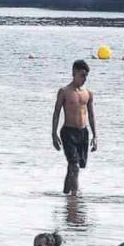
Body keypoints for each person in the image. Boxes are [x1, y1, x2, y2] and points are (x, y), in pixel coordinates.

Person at [52, 59, 97, 195]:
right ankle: (75, 198)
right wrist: (54, 134)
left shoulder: (88, 93)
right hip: (68, 132)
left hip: (83, 133)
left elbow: (91, 115)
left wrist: (95, 136)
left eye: (86, 76)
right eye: (82, 75)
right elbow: (56, 113)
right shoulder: (64, 91)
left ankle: (66, 193)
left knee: (73, 167)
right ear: (74, 73)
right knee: (75, 167)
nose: (84, 79)